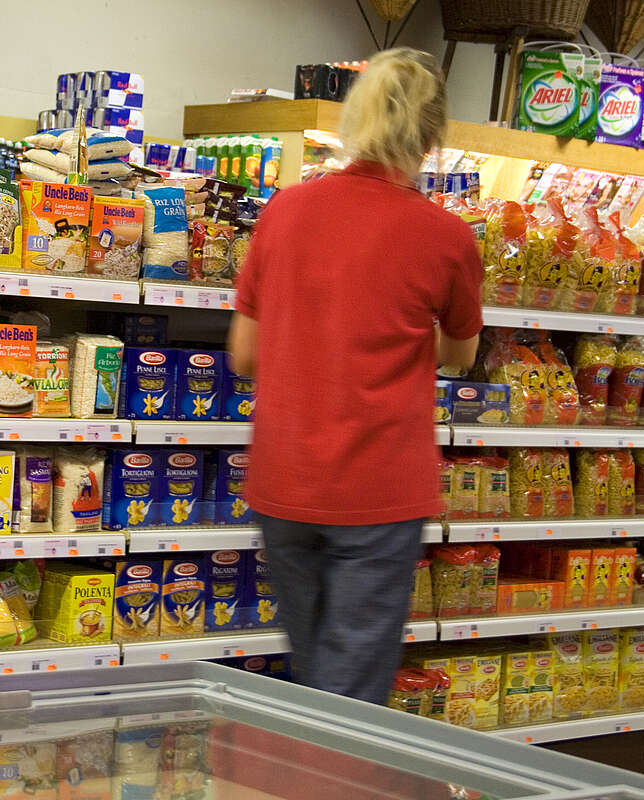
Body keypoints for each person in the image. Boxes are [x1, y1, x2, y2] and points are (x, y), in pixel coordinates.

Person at [227, 47, 482, 704]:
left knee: (314, 680)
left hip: (283, 483)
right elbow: (462, 353)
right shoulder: (447, 236)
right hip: (377, 488)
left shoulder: (284, 210)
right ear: (432, 134)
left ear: (354, 120)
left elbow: (244, 357)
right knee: (352, 695)